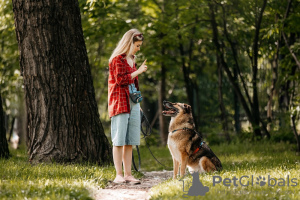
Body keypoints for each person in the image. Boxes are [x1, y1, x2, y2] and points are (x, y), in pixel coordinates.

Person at [108, 29, 147, 184]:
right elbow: (120, 80)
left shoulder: (132, 59)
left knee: (130, 140)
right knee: (118, 140)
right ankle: (118, 175)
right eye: (137, 45)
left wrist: (138, 103)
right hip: (120, 103)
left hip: (132, 103)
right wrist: (137, 72)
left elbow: (133, 85)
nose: (138, 48)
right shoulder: (117, 59)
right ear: (129, 43)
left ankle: (128, 174)